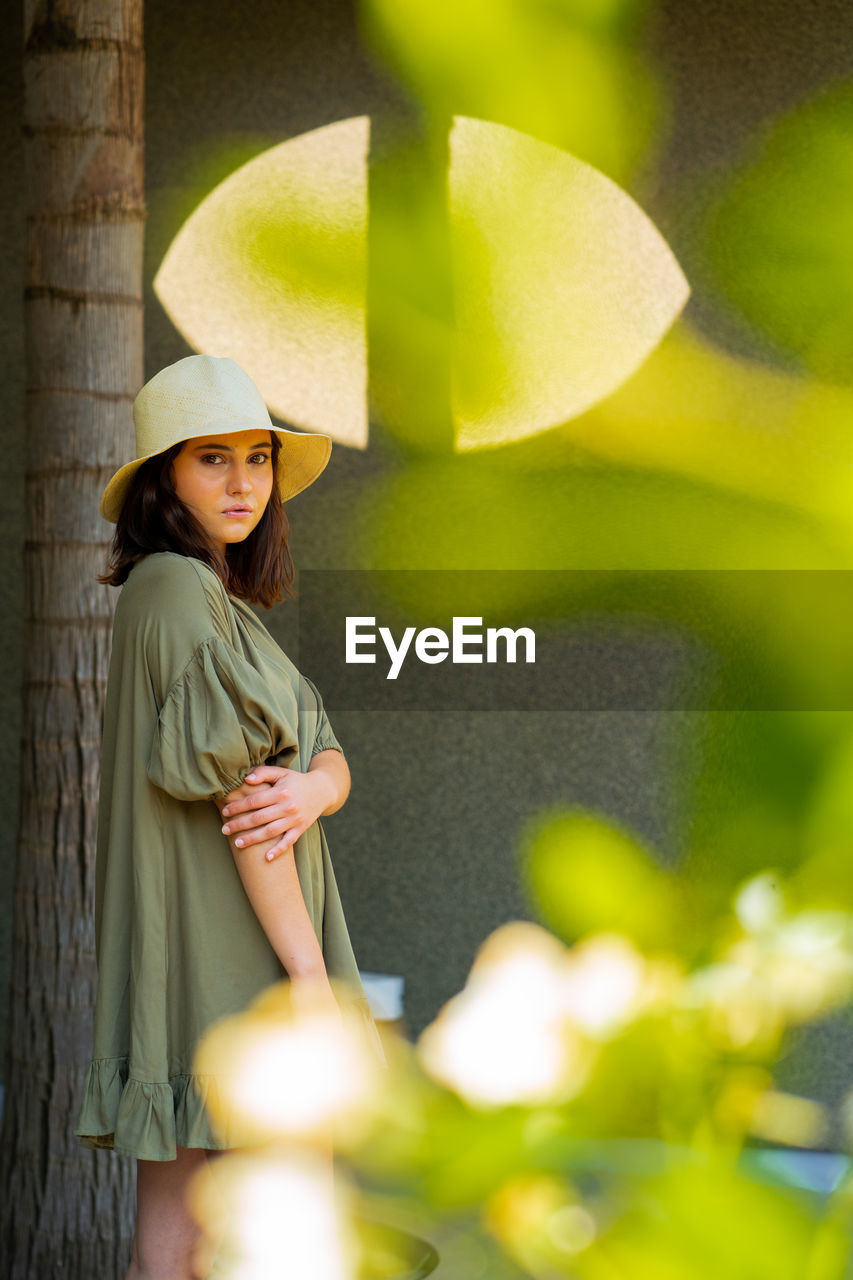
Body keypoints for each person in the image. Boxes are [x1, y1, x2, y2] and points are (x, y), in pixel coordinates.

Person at [75, 353, 379, 1280]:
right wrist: (308, 978)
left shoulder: (209, 601)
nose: (245, 481)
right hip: (239, 954)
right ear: (163, 477)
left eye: (257, 457)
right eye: (213, 459)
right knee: (283, 1235)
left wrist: (319, 787)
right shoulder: (179, 591)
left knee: (175, 1239)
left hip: (192, 961)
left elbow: (323, 761)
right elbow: (253, 811)